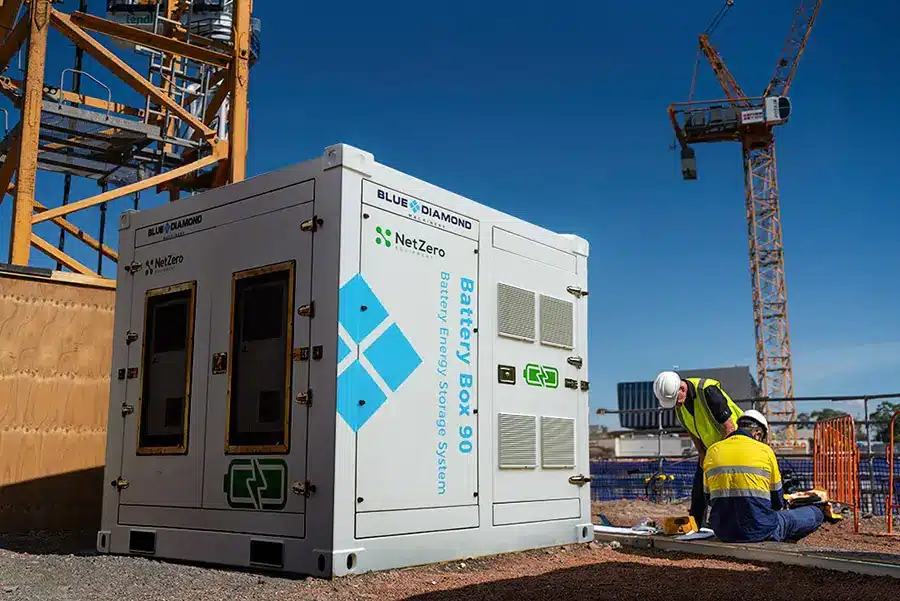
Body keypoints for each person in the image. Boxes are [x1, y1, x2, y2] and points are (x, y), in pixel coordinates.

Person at [702, 409, 825, 543]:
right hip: (760, 530)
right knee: (815, 513)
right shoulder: (765, 451)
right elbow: (777, 501)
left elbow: (708, 497)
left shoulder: (712, 451)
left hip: (723, 532)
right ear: (758, 433)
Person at [653, 371, 744, 528]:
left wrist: (719, 456)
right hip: (711, 449)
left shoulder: (707, 391)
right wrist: (702, 453)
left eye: (675, 400)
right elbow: (691, 429)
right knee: (699, 489)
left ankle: (730, 525)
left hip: (734, 445)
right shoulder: (680, 403)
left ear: (682, 389)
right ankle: (696, 527)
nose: (676, 405)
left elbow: (728, 426)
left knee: (727, 489)